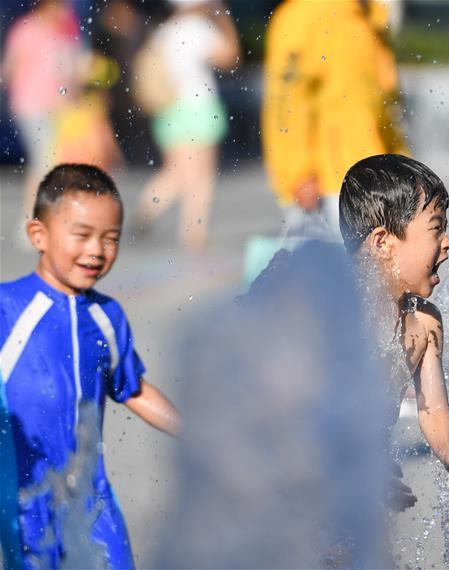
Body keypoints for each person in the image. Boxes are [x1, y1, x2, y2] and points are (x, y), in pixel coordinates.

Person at [1, 164, 180, 568]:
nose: (97, 250)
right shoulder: (7, 308)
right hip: (23, 501)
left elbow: (132, 388)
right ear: (38, 235)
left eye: (110, 239)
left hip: (92, 499)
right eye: (81, 235)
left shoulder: (107, 317)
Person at [339, 154, 449, 509]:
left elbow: (434, 408)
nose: (448, 240)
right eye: (436, 227)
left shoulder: (424, 323)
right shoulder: (333, 315)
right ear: (382, 243)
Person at [262, 0, 407, 242]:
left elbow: (383, 104)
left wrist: (402, 162)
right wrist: (297, 172)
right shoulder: (302, 15)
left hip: (375, 173)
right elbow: (286, 101)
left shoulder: (369, 15)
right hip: (330, 182)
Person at [134, 0, 239, 250]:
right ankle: (194, 232)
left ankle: (148, 206)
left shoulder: (165, 30)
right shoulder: (198, 28)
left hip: (169, 108)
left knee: (177, 171)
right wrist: (224, 19)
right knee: (201, 175)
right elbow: (230, 57)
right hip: (197, 106)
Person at [1, 0, 83, 247]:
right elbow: (10, 68)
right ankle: (32, 221)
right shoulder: (27, 30)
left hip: (58, 108)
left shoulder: (63, 31)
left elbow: (70, 69)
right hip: (32, 105)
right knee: (45, 161)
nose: (65, 12)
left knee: (52, 162)